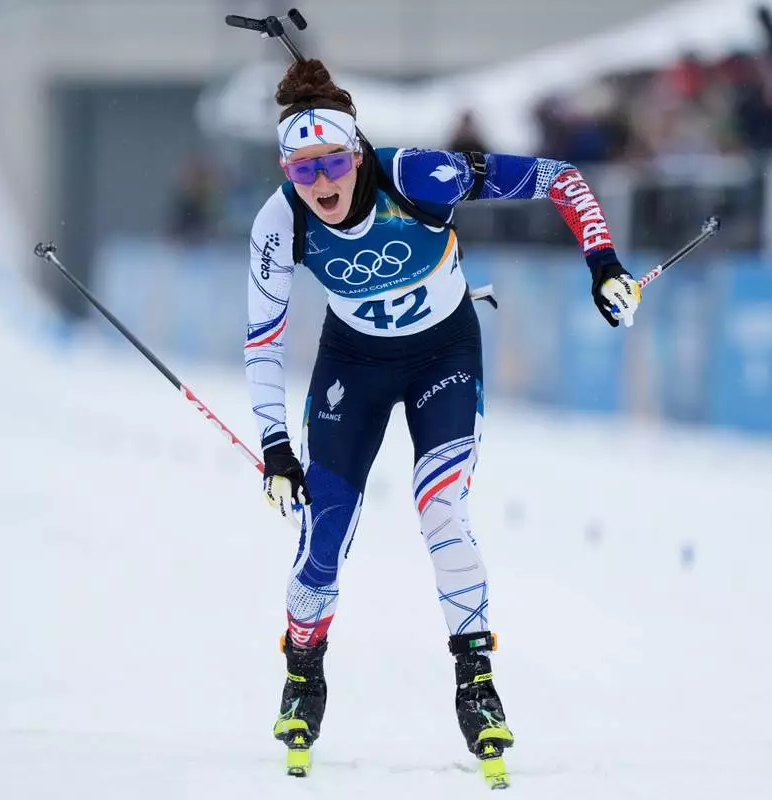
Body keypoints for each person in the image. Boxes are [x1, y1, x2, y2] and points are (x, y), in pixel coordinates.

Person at [244, 59, 641, 782]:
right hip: (352, 369)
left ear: (357, 153)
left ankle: (477, 683)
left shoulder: (420, 176)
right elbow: (263, 342)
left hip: (443, 354)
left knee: (443, 510)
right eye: (303, 172)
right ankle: (304, 674)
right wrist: (274, 446)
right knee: (324, 526)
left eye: (332, 161)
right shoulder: (279, 221)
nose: (322, 183)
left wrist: (604, 264)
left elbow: (561, 178)